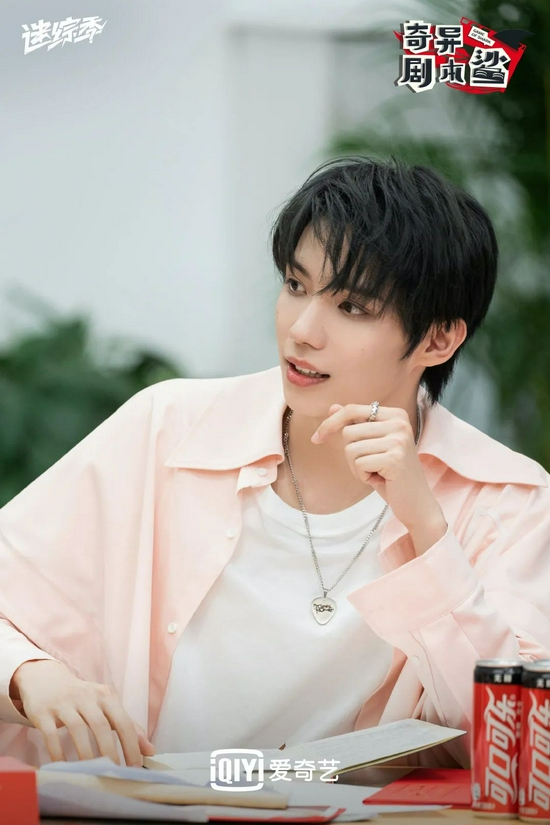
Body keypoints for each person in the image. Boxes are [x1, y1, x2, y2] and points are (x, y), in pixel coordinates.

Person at [1, 156, 549, 770]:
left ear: (437, 339)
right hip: (141, 806)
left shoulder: (508, 498)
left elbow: (519, 744)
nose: (302, 330)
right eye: (295, 285)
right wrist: (31, 675)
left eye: (353, 307)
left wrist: (428, 531)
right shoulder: (168, 430)